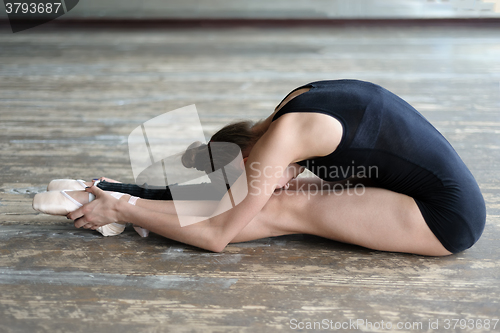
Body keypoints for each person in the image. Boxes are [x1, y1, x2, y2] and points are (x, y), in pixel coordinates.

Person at [33, 79, 486, 256]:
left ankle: (119, 207)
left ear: (248, 156)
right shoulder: (293, 104)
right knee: (279, 195)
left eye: (248, 175)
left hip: (446, 220)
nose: (258, 179)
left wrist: (124, 210)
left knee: (277, 210)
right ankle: (109, 189)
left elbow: (217, 238)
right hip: (419, 191)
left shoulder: (285, 137)